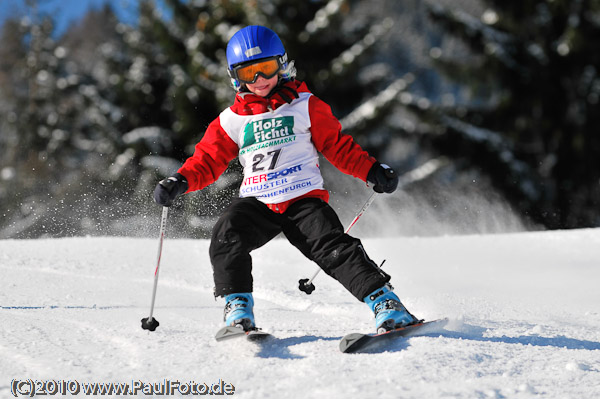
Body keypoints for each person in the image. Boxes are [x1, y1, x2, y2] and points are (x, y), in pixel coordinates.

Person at [154, 25, 419, 333]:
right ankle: (238, 309)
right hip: (258, 201)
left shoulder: (305, 105)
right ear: (234, 77)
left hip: (302, 199)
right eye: (247, 74)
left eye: (266, 69)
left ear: (282, 64)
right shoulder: (232, 120)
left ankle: (386, 304)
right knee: (227, 234)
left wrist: (371, 170)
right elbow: (208, 160)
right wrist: (180, 180)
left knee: (332, 247)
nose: (259, 81)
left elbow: (338, 147)